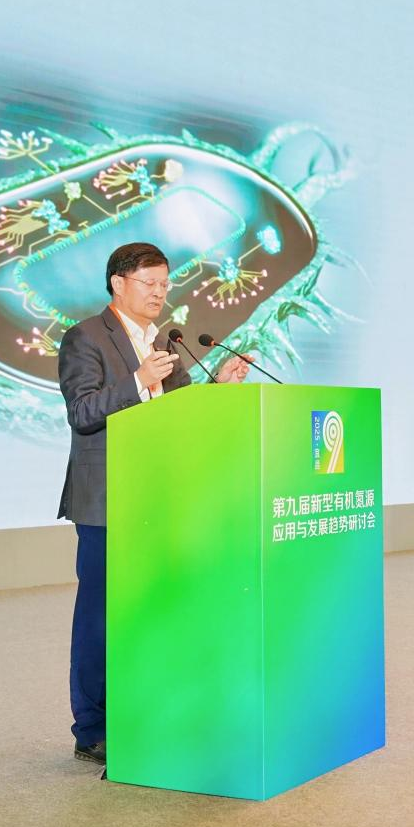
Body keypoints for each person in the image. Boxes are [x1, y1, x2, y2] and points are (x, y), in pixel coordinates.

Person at [56, 242, 251, 763]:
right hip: (108, 502)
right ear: (118, 283)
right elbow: (83, 412)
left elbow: (181, 412)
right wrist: (139, 380)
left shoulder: (165, 342)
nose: (160, 292)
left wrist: (219, 388)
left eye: (165, 284)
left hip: (161, 496)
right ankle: (92, 727)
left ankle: (151, 710)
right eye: (150, 283)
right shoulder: (85, 337)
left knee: (157, 611)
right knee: (101, 616)